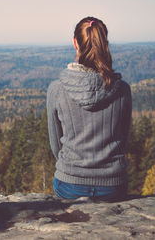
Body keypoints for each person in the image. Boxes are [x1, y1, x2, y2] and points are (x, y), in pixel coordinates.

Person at [46, 17, 132, 201]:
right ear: (104, 43)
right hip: (113, 186)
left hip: (70, 185)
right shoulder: (122, 89)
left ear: (75, 43)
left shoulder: (57, 89)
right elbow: (123, 139)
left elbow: (56, 145)